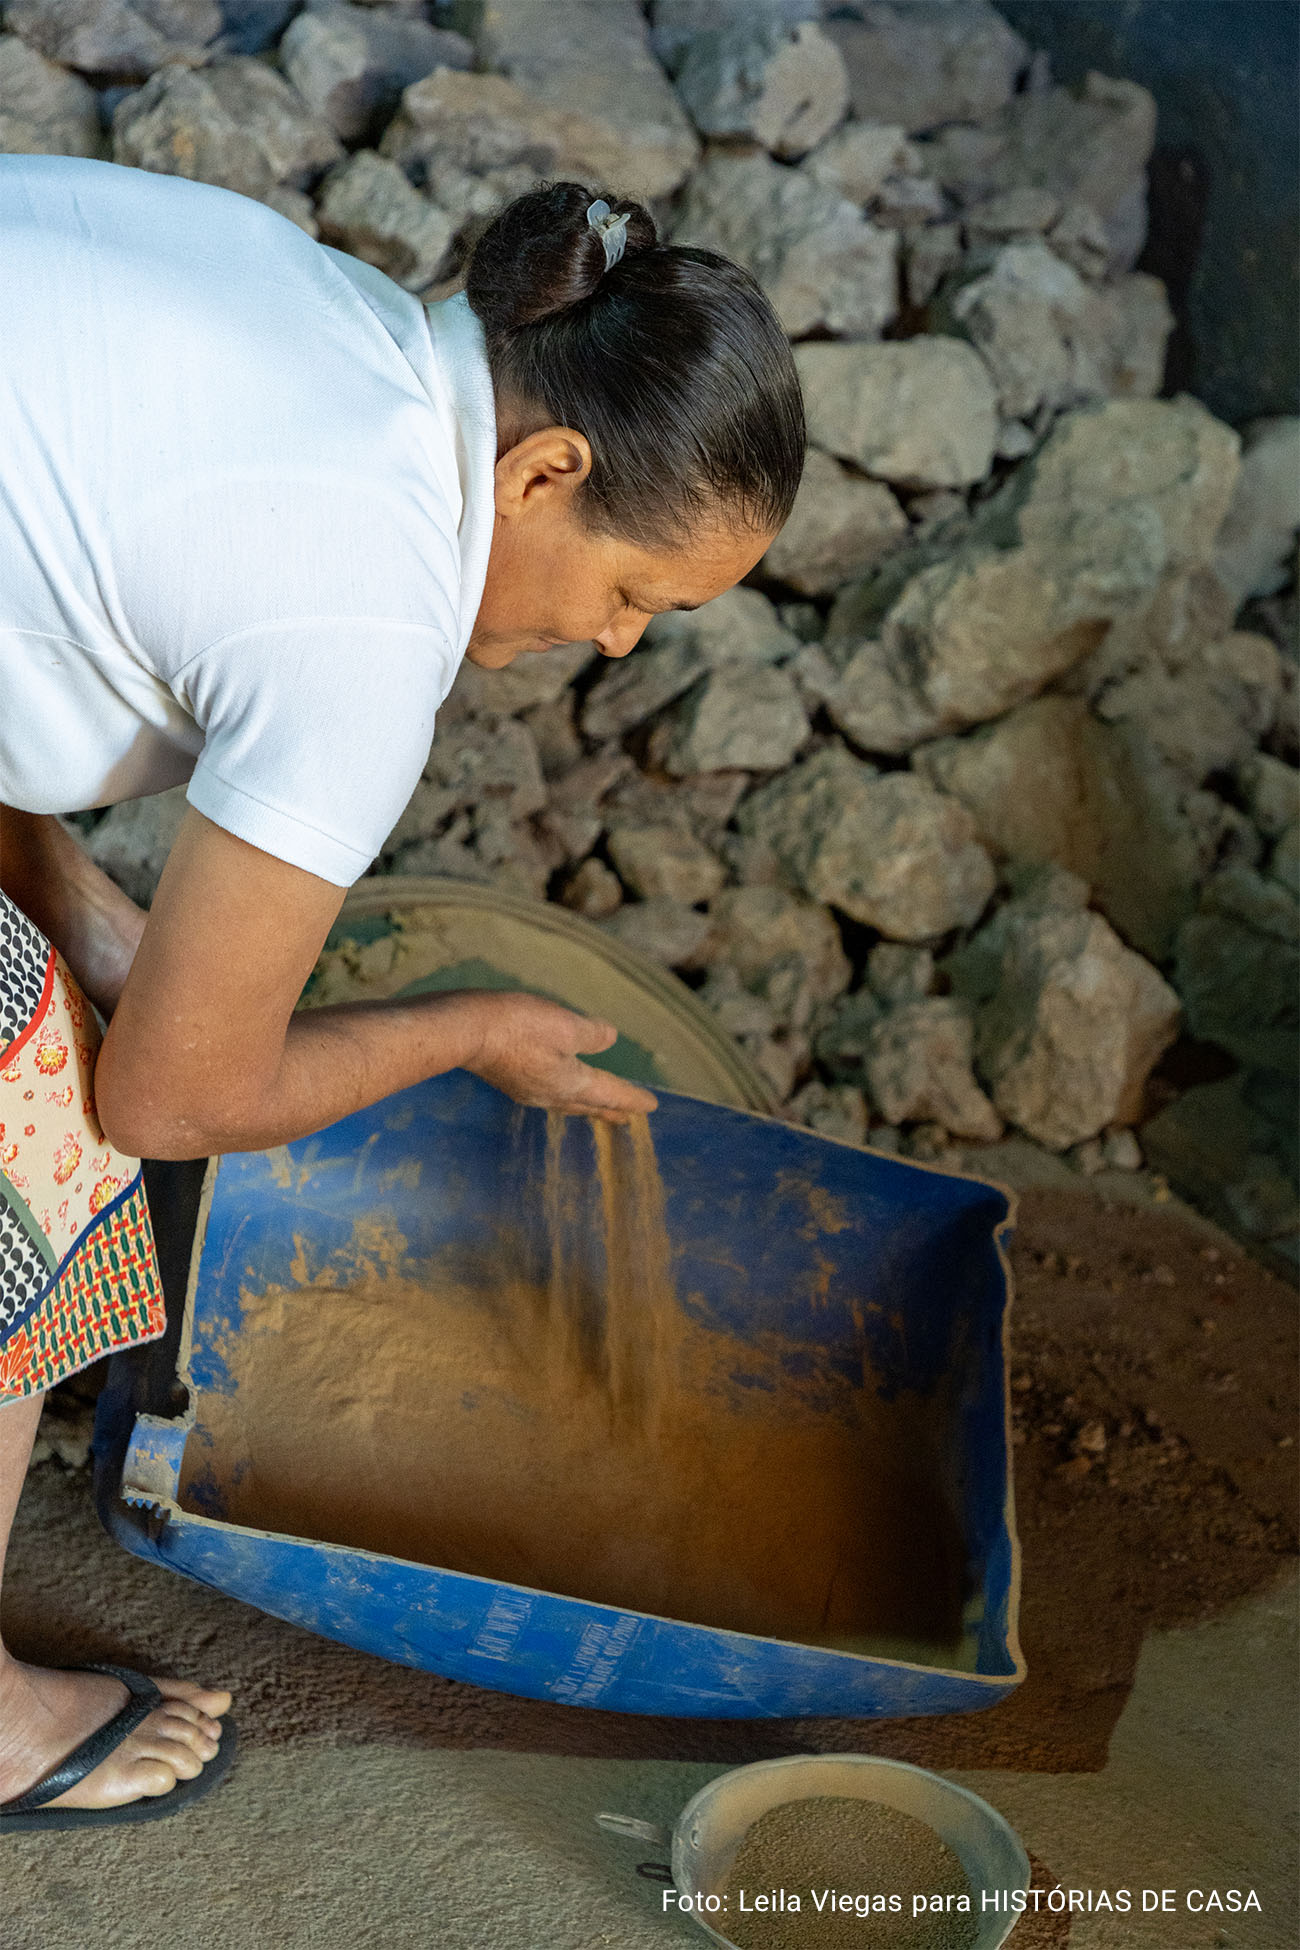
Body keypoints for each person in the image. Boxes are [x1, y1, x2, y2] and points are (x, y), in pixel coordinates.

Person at [0, 156, 804, 1826]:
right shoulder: (364, 613)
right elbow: (170, 1101)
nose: (620, 644)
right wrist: (466, 1030)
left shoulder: (325, 315)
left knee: (49, 977)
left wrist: (75, 900)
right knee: (32, 1126)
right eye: (638, 593)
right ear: (547, 470)